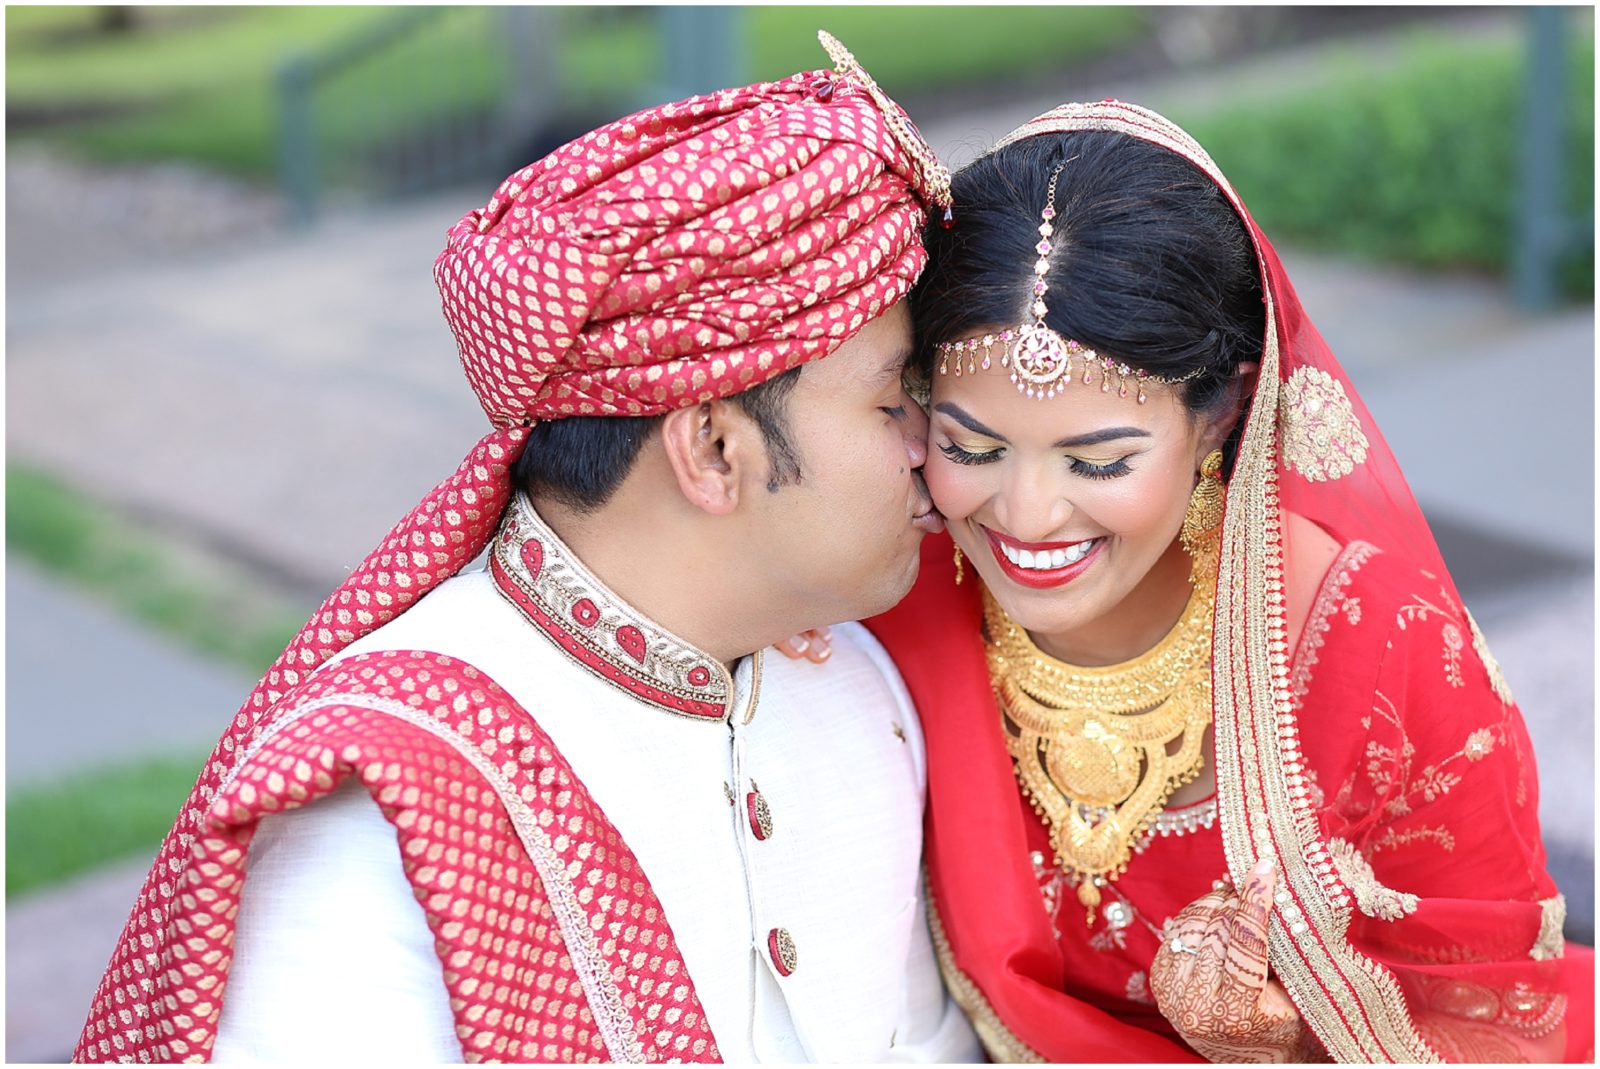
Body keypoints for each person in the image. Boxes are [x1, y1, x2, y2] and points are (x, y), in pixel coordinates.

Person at [74, 34, 981, 1063]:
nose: (931, 444)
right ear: (714, 449)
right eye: (891, 399)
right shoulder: (392, 817)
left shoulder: (860, 681)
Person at [856, 101, 1595, 1061]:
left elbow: (1494, 1021)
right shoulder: (885, 595)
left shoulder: (1381, 650)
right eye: (972, 445)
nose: (1026, 515)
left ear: (1222, 413)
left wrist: (1282, 1040)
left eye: (1098, 462)